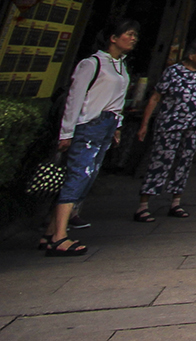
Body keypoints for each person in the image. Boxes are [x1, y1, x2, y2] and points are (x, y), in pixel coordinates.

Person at [41, 20, 138, 257]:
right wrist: (67, 132)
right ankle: (60, 237)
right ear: (113, 38)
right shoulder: (92, 64)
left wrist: (117, 127)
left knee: (87, 176)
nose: (133, 38)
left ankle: (51, 231)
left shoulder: (121, 66)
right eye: (129, 34)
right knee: (77, 176)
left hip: (106, 125)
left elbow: (117, 102)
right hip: (88, 124)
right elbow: (75, 98)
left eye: (135, 35)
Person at [134, 36, 196, 222]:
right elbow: (156, 97)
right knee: (160, 160)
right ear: (192, 55)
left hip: (195, 125)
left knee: (184, 162)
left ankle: (175, 202)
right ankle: (144, 204)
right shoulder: (173, 72)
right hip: (171, 125)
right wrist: (145, 124)